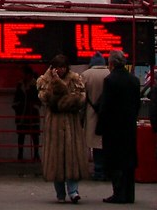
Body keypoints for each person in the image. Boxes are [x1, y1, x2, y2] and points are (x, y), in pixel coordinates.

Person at [37, 54, 89, 204]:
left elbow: (80, 99)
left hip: (71, 124)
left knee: (71, 157)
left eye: (63, 67)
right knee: (56, 159)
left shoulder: (75, 78)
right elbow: (46, 99)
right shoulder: (45, 80)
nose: (61, 70)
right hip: (55, 125)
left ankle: (73, 191)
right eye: (58, 67)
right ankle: (60, 193)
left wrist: (63, 100)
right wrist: (59, 88)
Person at [96, 51, 140, 204]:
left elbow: (105, 106)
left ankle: (118, 193)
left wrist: (100, 127)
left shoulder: (110, 80)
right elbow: (137, 104)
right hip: (129, 126)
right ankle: (129, 194)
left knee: (115, 162)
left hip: (113, 128)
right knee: (128, 161)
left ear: (111, 63)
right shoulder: (134, 80)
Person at [81, 51, 110, 181]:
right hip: (107, 114)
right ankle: (106, 169)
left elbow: (81, 97)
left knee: (95, 143)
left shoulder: (85, 75)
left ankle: (98, 170)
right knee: (105, 142)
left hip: (91, 112)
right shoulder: (110, 73)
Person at [12, 64, 41, 162]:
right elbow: (16, 99)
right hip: (21, 114)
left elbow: (38, 99)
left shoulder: (36, 85)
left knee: (35, 135)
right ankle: (20, 154)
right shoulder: (20, 85)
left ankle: (36, 154)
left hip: (32, 114)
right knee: (21, 135)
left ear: (29, 74)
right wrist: (17, 107)